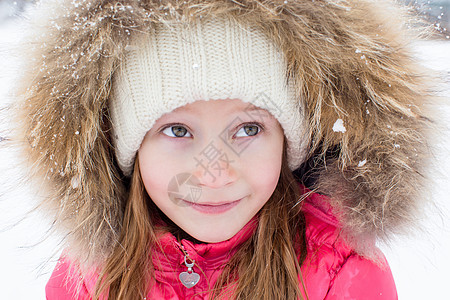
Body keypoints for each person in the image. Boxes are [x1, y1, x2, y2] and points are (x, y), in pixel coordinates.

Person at [13, 0, 432, 299]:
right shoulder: (87, 281)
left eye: (248, 128)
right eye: (178, 130)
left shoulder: (343, 277)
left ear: (287, 144)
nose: (214, 173)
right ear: (129, 148)